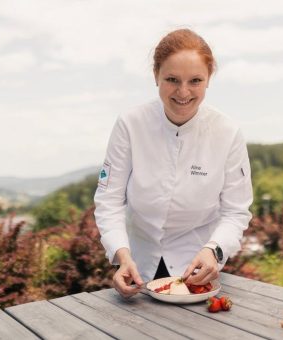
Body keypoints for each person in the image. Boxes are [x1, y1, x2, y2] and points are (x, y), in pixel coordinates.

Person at [94, 28, 253, 298]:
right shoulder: (130, 124)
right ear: (156, 76)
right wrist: (121, 255)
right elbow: (109, 200)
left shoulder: (227, 132)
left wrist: (214, 249)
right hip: (139, 268)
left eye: (195, 81)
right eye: (172, 79)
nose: (183, 92)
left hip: (198, 269)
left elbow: (236, 212)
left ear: (208, 80)